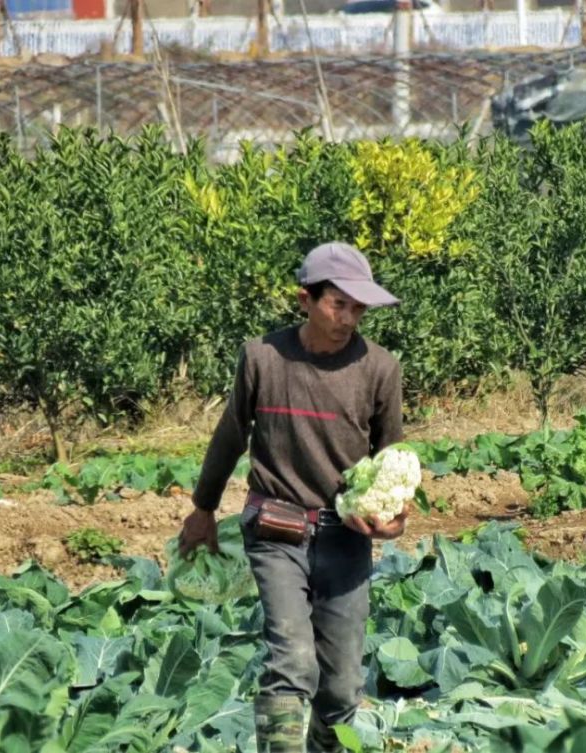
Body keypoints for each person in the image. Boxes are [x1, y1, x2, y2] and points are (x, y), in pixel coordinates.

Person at [178, 241, 409, 753]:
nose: (350, 318)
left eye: (359, 306)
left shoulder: (379, 369)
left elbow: (392, 457)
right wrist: (204, 508)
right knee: (293, 663)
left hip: (345, 538)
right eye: (338, 304)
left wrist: (394, 515)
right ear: (305, 299)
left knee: (342, 684)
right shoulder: (263, 356)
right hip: (275, 529)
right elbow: (231, 433)